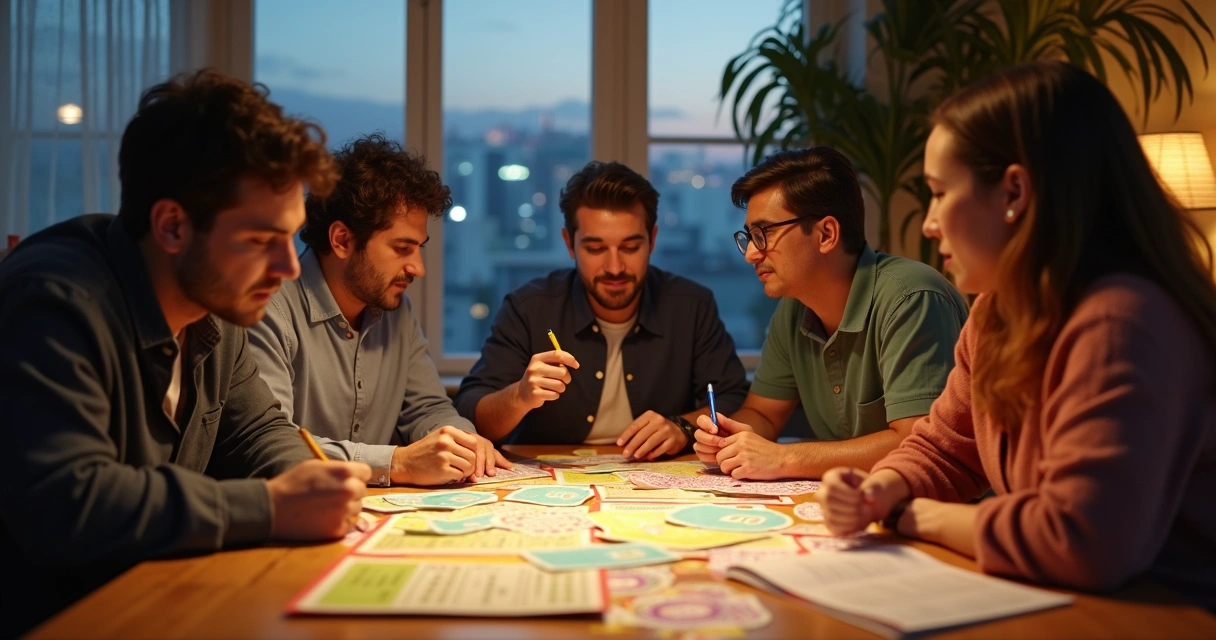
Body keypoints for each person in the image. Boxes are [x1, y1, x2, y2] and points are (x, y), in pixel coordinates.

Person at [819, 61, 1216, 609]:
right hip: (1073, 604)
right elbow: (946, 449)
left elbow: (1082, 540)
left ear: (1014, 191)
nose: (930, 223)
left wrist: (913, 515)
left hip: (1165, 616)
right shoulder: (995, 313)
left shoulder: (1121, 323)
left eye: (939, 193)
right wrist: (882, 488)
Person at [0, 70, 370, 635]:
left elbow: (255, 432)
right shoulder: (55, 301)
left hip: (156, 606)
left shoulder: (213, 306)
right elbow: (68, 501)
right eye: (260, 241)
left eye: (290, 239)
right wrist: (272, 508)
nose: (289, 268)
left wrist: (312, 487)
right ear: (172, 226)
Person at [693, 147, 970, 480]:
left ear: (826, 234)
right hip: (852, 499)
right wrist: (728, 438)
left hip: (935, 505)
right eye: (750, 236)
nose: (751, 253)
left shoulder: (912, 298)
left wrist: (783, 458)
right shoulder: (794, 309)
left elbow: (918, 444)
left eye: (764, 234)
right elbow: (763, 414)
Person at [249, 134, 510, 487]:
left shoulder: (396, 311)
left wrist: (464, 442)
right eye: (402, 248)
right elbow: (270, 446)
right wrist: (397, 462)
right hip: (293, 510)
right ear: (342, 240)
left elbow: (428, 408)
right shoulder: (267, 308)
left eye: (419, 249)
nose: (418, 268)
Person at [455, 161, 747, 458]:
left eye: (630, 247)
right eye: (595, 249)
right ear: (569, 244)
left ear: (653, 240)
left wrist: (682, 427)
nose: (615, 267)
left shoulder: (691, 306)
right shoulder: (529, 308)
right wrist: (519, 396)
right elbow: (470, 413)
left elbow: (733, 398)